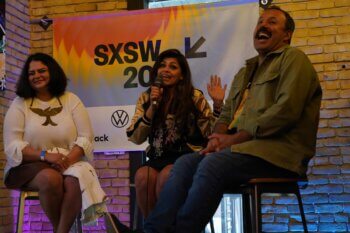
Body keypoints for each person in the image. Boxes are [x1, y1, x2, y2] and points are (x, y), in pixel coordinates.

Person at [112, 5, 322, 233]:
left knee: (211, 163)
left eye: (272, 22)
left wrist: (232, 140)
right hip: (242, 151)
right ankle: (152, 231)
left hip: (276, 154)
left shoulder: (294, 59)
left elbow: (285, 112)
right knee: (185, 164)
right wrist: (217, 138)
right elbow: (226, 115)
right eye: (260, 22)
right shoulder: (246, 71)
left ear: (287, 34)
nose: (263, 25)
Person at [3, 53, 107, 233]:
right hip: (31, 165)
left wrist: (66, 160)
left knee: (75, 181)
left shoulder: (71, 100)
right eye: (31, 73)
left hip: (69, 161)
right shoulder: (19, 104)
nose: (37, 76)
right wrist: (46, 156)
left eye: (42, 70)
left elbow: (85, 137)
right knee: (51, 179)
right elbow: (13, 145)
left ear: (52, 72)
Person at [126, 48, 225, 218]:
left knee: (167, 176)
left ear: (181, 75)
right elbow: (135, 137)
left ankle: (169, 228)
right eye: (162, 66)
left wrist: (217, 106)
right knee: (142, 176)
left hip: (188, 157)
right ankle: (154, 229)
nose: (166, 70)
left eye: (173, 67)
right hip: (158, 158)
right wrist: (152, 107)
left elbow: (210, 132)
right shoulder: (146, 98)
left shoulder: (194, 97)